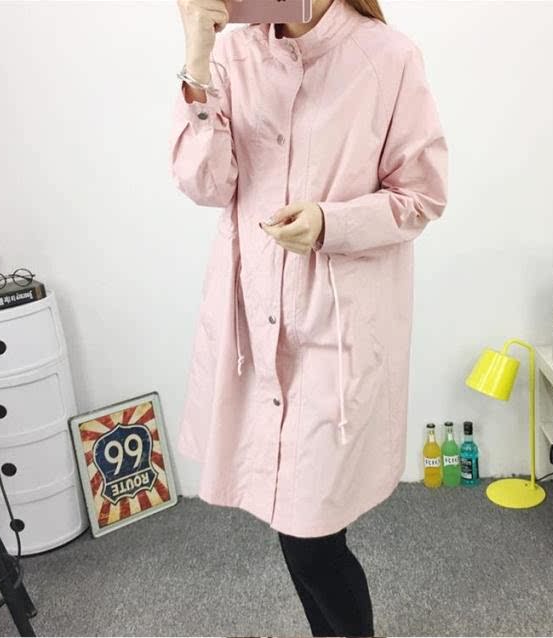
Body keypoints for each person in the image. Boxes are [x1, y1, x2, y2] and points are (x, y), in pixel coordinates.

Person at [170, 0, 448, 635]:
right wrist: (197, 57)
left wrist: (331, 222)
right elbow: (205, 184)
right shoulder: (233, 54)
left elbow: (422, 196)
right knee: (296, 527)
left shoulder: (388, 58)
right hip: (255, 320)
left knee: (311, 537)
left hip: (333, 331)